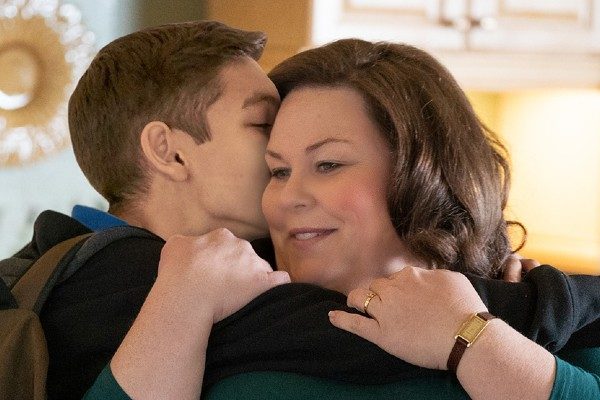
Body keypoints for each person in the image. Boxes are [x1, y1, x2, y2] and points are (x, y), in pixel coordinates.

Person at [84, 37, 600, 399]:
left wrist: (471, 339)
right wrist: (179, 305)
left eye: (328, 164)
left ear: (423, 174)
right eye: (278, 171)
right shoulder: (211, 321)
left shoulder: (549, 312)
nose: (286, 198)